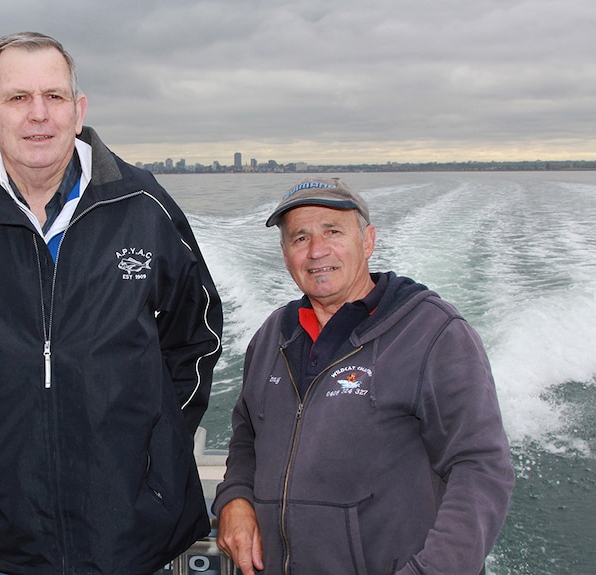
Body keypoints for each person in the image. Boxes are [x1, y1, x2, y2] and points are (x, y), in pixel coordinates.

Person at [0, 32, 223, 575]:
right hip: (4, 542)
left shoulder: (143, 206)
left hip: (135, 536)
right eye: (17, 98)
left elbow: (200, 332)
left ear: (79, 111)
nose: (38, 115)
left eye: (53, 96)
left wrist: (158, 444)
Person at [213, 178, 514, 575]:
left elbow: (480, 467)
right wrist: (235, 497)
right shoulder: (274, 335)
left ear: (368, 241)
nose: (317, 251)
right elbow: (247, 433)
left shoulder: (433, 332)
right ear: (285, 254)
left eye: (333, 232)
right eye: (300, 238)